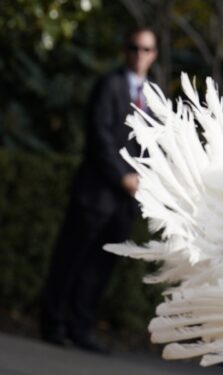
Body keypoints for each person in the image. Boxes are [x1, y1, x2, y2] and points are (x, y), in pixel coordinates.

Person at [38, 27, 158, 353]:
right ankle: (53, 322)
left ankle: (81, 326)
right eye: (134, 47)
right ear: (125, 50)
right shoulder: (110, 85)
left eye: (146, 49)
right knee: (70, 258)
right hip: (96, 193)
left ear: (154, 54)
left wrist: (145, 179)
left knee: (100, 268)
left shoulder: (154, 95)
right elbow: (99, 136)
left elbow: (156, 144)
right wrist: (123, 176)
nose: (140, 54)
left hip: (126, 202)